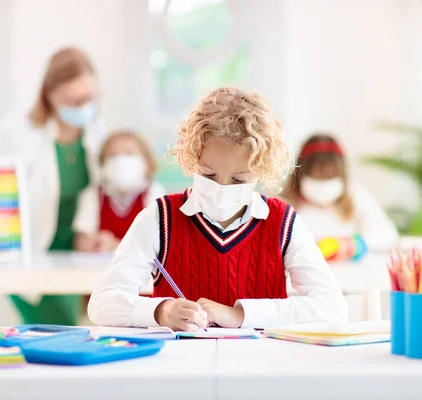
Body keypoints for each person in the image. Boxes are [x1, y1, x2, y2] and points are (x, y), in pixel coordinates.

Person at [88, 87, 347, 331]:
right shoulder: (159, 217)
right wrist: (161, 311)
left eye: (239, 179)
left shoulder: (284, 223)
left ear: (261, 170)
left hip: (262, 368)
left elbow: (332, 308)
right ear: (192, 159)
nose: (221, 187)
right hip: (177, 367)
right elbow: (102, 303)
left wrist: (240, 315)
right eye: (208, 174)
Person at [0, 47, 107, 325]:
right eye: (72, 100)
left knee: (75, 333)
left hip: (75, 254)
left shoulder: (96, 128)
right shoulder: (18, 132)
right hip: (29, 254)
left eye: (88, 98)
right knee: (59, 332)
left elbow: (95, 192)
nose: (82, 107)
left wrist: (86, 235)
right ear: (50, 96)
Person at [282, 134, 398, 262]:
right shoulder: (282, 202)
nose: (323, 183)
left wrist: (354, 245)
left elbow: (388, 235)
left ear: (342, 175)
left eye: (330, 176)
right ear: (300, 172)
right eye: (316, 175)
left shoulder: (356, 195)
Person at [73, 130, 166, 252]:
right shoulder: (93, 195)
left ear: (147, 163)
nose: (120, 161)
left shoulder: (155, 193)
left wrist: (115, 245)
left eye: (129, 154)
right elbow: (80, 240)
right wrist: (90, 243)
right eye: (112, 155)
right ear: (103, 165)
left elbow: (159, 242)